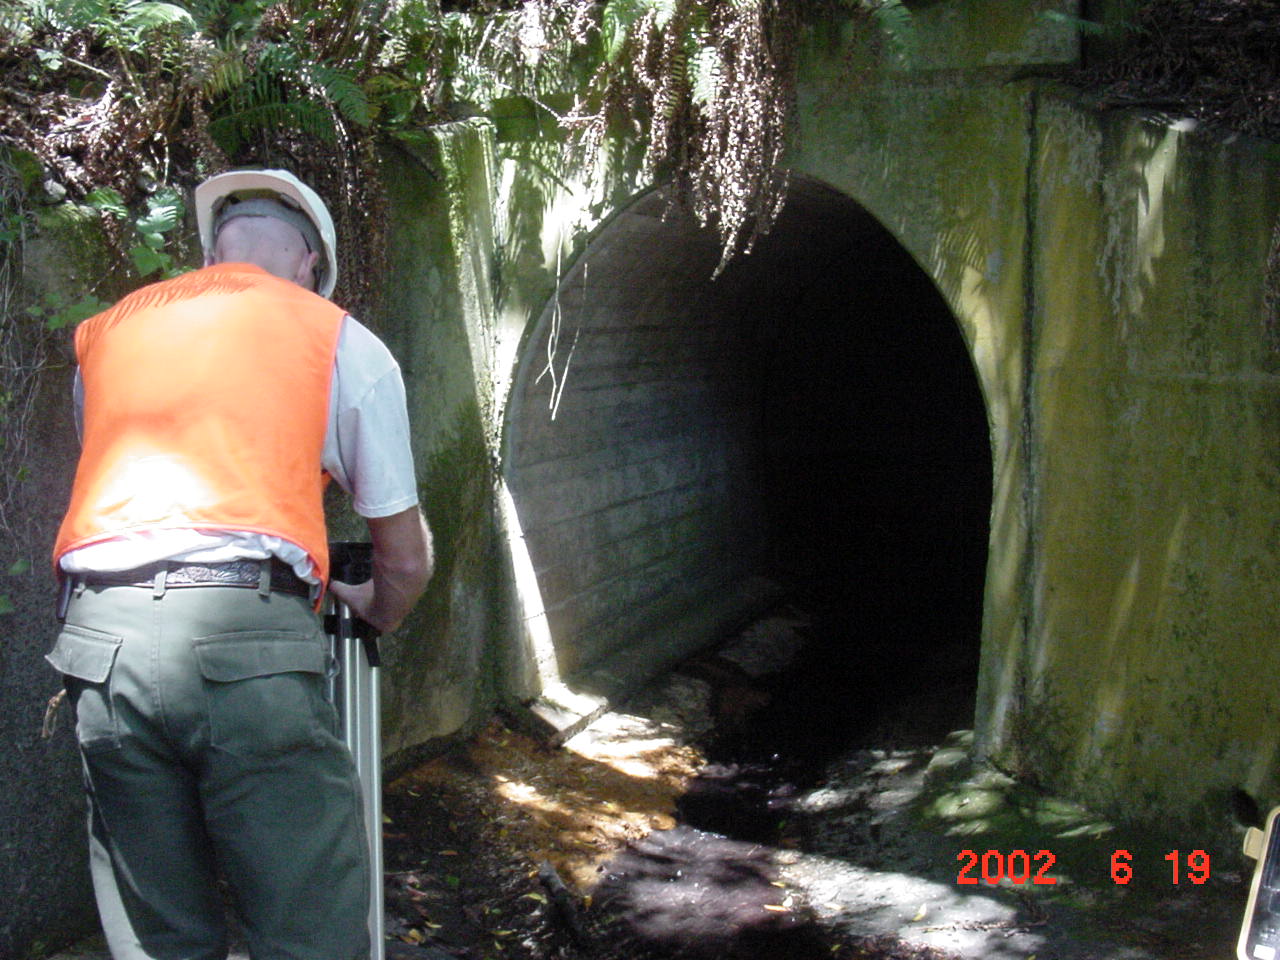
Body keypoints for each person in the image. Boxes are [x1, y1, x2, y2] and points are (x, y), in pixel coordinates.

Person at [45, 169, 433, 960]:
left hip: (99, 645)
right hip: (244, 647)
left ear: (212, 255)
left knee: (158, 934)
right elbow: (402, 554)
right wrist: (378, 608)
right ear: (310, 265)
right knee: (306, 926)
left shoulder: (109, 333)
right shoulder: (336, 337)